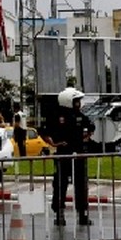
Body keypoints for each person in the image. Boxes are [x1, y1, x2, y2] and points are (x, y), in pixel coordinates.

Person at [42, 87, 95, 226]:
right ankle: (59, 213)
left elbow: (91, 127)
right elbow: (45, 132)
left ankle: (82, 214)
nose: (78, 104)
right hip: (63, 155)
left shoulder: (80, 116)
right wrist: (54, 143)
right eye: (76, 101)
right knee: (60, 185)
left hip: (78, 156)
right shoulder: (56, 116)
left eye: (78, 101)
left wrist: (86, 136)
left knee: (81, 185)